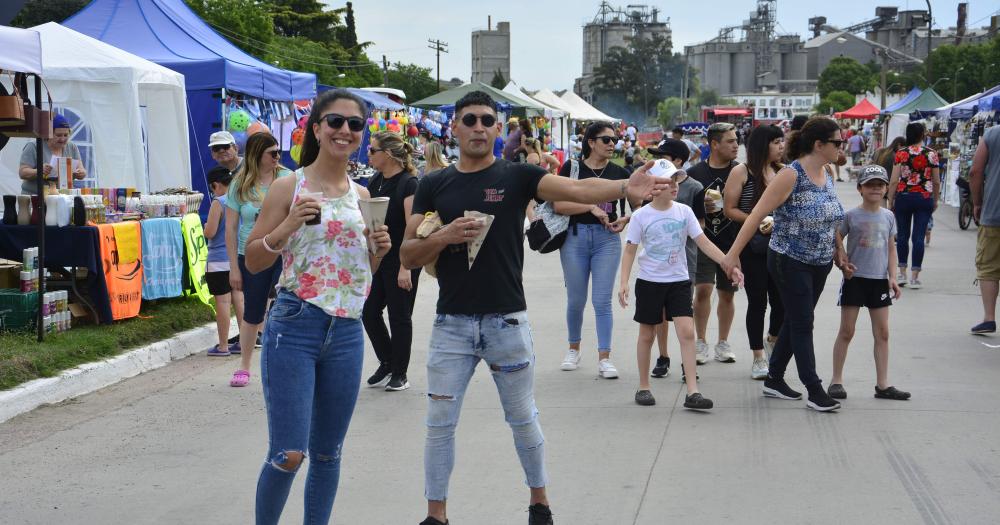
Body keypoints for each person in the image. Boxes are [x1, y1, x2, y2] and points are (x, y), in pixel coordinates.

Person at [400, 90, 672, 525]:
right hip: (451, 324)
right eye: (468, 119)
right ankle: (436, 514)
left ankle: (539, 504)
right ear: (453, 127)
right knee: (439, 423)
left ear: (497, 127)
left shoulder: (519, 175)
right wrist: (443, 237)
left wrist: (624, 186)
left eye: (487, 120)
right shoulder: (433, 183)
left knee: (523, 418)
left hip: (507, 321)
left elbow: (578, 188)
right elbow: (408, 254)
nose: (478, 127)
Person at [242, 89, 390, 524]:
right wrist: (288, 224)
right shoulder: (290, 185)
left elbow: (362, 271)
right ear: (318, 129)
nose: (345, 131)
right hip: (296, 325)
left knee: (328, 454)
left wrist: (378, 250)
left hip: (346, 330)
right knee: (288, 453)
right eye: (336, 122)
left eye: (355, 124)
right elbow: (253, 259)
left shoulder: (363, 194)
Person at [722, 116, 846, 412]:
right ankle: (814, 388)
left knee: (794, 318)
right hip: (789, 259)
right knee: (804, 322)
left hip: (820, 261)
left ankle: (774, 378)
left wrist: (839, 250)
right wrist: (732, 255)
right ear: (819, 145)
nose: (841, 147)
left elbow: (832, 215)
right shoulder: (791, 175)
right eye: (837, 142)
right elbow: (755, 215)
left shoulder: (828, 171)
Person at [619, 170, 742, 408]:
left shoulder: (684, 212)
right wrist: (624, 281)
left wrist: (728, 264)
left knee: (687, 332)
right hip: (650, 282)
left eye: (676, 181)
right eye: (669, 182)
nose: (675, 186)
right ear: (654, 186)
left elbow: (703, 242)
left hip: (679, 281)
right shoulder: (641, 216)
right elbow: (631, 249)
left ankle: (692, 392)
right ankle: (643, 386)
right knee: (647, 334)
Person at [555, 122, 635, 379]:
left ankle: (605, 357)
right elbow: (558, 205)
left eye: (615, 139)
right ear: (591, 142)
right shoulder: (572, 168)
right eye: (606, 139)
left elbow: (640, 206)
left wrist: (626, 220)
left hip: (606, 240)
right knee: (576, 300)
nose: (613, 144)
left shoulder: (620, 172)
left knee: (602, 301)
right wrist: (590, 207)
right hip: (574, 238)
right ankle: (573, 348)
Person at [828, 165, 910, 401]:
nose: (875, 188)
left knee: (883, 333)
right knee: (847, 331)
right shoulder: (851, 216)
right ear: (860, 188)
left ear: (886, 189)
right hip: (855, 280)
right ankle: (836, 380)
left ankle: (883, 384)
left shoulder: (889, 216)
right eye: (870, 184)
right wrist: (842, 262)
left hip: (878, 281)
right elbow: (837, 240)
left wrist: (892, 277)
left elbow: (891, 248)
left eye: (880, 185)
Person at [225, 132, 291, 387]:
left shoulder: (287, 179)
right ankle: (244, 365)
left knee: (282, 305)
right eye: (272, 153)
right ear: (256, 155)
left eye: (278, 152)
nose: (277, 157)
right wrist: (233, 268)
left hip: (284, 253)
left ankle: (282, 361)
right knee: (252, 311)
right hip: (250, 254)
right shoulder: (240, 184)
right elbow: (230, 229)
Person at [723, 125, 785, 380]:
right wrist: (757, 220)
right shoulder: (742, 172)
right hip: (752, 246)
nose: (782, 146)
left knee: (781, 301)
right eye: (776, 142)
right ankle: (758, 357)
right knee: (758, 301)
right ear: (762, 145)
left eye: (782, 141)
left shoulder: (784, 172)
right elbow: (729, 209)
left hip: (782, 246)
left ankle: (772, 338)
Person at [362, 131, 421, 392]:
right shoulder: (375, 182)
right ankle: (387, 360)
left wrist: (405, 267)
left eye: (372, 150)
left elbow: (414, 228)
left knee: (399, 316)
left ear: (387, 154)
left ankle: (400, 372)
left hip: (403, 258)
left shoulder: (409, 184)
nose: (368, 154)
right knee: (369, 312)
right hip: (379, 258)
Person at [643, 138, 704, 378]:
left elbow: (700, 225)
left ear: (678, 161)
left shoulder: (695, 188)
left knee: (683, 316)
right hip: (657, 264)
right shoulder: (653, 183)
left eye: (663, 155)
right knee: (659, 315)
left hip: (683, 262)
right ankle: (663, 356)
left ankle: (686, 363)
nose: (657, 160)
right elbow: (645, 214)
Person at [689, 122, 740, 365]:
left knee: (727, 295)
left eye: (736, 140)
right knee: (703, 291)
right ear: (714, 144)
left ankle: (723, 342)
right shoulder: (695, 173)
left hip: (733, 244)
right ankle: (700, 341)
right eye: (730, 141)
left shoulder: (741, 171)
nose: (736, 145)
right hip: (704, 242)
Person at [887, 122, 939, 290]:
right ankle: (915, 277)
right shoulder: (931, 154)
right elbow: (937, 181)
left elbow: (894, 180)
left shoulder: (901, 153)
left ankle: (902, 273)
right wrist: (935, 199)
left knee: (902, 236)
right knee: (918, 237)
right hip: (924, 197)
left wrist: (890, 200)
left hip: (904, 196)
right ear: (922, 135)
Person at [203, 166, 244, 357]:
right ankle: (244, 342)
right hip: (236, 258)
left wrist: (205, 227)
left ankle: (223, 346)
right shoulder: (239, 200)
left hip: (218, 260)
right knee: (239, 300)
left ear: (215, 185)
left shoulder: (218, 202)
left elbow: (210, 232)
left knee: (223, 302)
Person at [970, 124, 1000, 334]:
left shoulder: (993, 133)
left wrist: (977, 202)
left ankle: (989, 318)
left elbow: (975, 171)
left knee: (989, 266)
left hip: (994, 212)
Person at [18, 114, 86, 193]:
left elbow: (81, 169)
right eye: (58, 135)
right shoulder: (34, 146)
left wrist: (81, 173)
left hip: (63, 196)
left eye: (66, 135)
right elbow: (22, 172)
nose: (63, 139)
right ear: (49, 134)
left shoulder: (72, 147)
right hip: (36, 196)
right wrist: (39, 170)